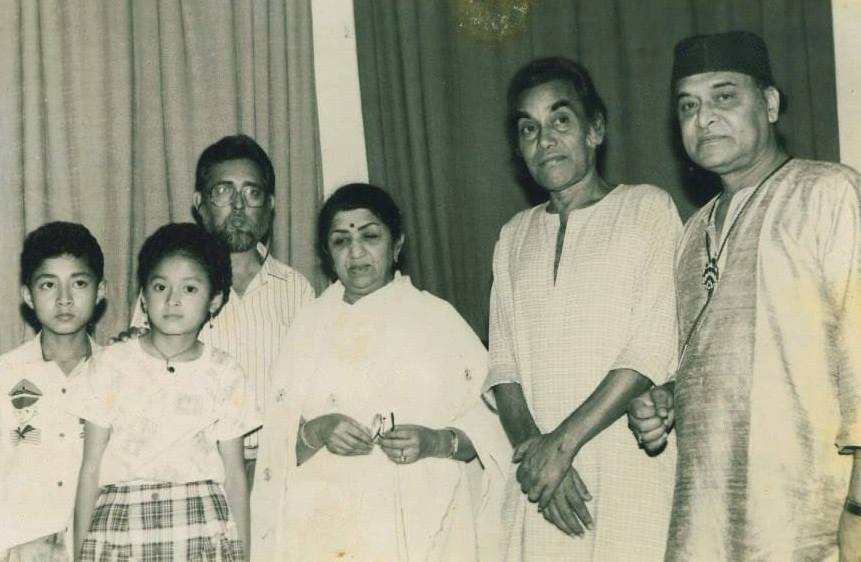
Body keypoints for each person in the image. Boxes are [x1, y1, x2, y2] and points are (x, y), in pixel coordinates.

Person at [628, 30, 861, 560]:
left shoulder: (829, 194)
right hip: (708, 520)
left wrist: (858, 512)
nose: (704, 118)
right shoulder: (693, 233)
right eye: (688, 105)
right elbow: (718, 361)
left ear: (771, 103)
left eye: (724, 96)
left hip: (810, 519)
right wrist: (669, 398)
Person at [484, 57, 680, 560]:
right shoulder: (513, 237)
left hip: (626, 471)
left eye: (560, 120)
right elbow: (503, 370)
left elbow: (651, 346)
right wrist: (538, 458)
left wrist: (563, 445)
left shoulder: (646, 209)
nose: (544, 139)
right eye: (529, 128)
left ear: (595, 129)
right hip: (541, 490)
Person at [251, 183, 510, 561]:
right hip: (326, 524)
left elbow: (495, 428)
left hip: (425, 523)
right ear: (328, 253)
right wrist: (318, 431)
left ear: (397, 243)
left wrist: (436, 441)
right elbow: (275, 448)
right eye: (340, 241)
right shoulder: (308, 327)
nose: (356, 253)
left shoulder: (437, 320)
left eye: (370, 236)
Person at [127, 135, 316, 483]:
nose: (239, 207)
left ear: (270, 204)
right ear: (199, 203)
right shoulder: (169, 289)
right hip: (195, 473)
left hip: (281, 470)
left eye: (252, 193)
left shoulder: (297, 290)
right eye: (223, 192)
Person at [71, 223, 259, 561]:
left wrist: (242, 554)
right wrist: (80, 553)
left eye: (189, 288)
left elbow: (234, 475)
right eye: (160, 286)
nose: (172, 300)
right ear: (144, 296)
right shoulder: (109, 365)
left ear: (214, 300)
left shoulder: (224, 372)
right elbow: (90, 469)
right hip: (121, 528)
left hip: (201, 527)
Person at [0, 222, 105, 562]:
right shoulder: (5, 375)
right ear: (28, 295)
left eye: (79, 283)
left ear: (100, 290)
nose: (64, 299)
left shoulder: (121, 375)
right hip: (17, 546)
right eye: (48, 285)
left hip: (99, 547)